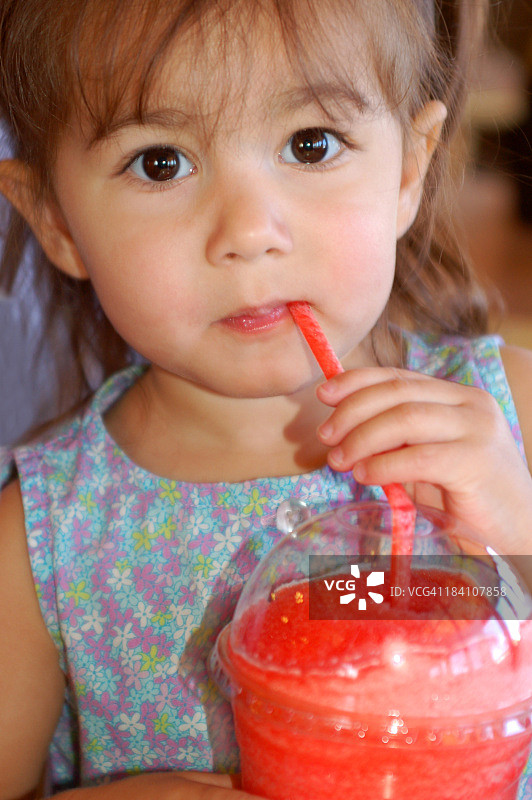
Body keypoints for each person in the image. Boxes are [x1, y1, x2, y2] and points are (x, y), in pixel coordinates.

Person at [1, 0, 532, 797]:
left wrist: (518, 539)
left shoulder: (509, 420)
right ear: (56, 220)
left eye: (311, 144)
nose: (250, 231)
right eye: (160, 163)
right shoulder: (42, 538)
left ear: (408, 171)